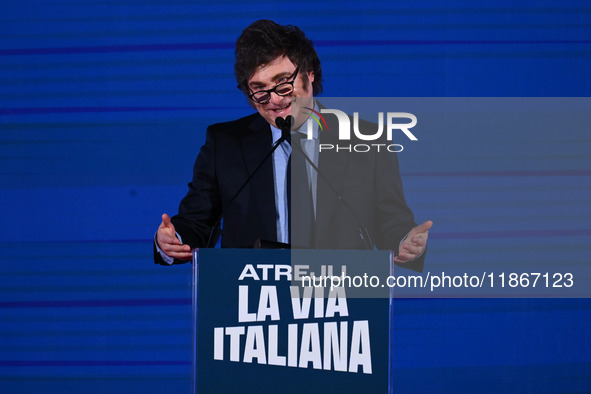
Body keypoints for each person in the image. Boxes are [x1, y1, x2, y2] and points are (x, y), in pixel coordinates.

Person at [154, 19, 432, 271]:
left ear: (309, 74)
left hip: (342, 302)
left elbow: (390, 221)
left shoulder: (367, 139)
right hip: (253, 308)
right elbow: (196, 223)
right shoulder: (225, 143)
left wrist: (406, 241)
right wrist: (172, 239)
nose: (274, 99)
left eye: (283, 83)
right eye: (259, 90)